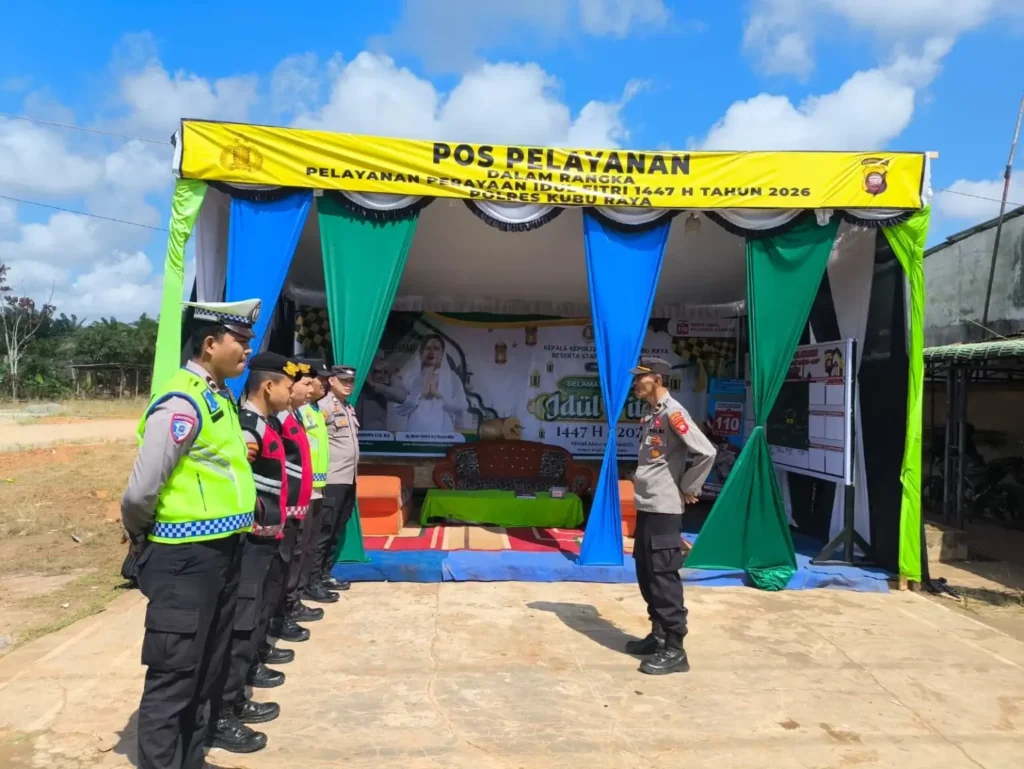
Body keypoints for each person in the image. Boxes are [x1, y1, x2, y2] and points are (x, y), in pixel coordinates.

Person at [120, 299, 261, 769]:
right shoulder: (182, 402)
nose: (247, 350)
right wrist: (142, 539)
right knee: (175, 673)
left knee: (207, 668)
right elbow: (141, 491)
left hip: (222, 553)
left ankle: (192, 759)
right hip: (184, 559)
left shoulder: (218, 398)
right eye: (239, 341)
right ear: (209, 343)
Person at [208, 352, 298, 752]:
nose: (290, 392)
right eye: (286, 385)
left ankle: (235, 698)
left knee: (254, 615)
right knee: (241, 624)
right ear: (268, 386)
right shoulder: (249, 428)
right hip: (251, 540)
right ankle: (222, 714)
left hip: (268, 537)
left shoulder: (266, 424)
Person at [626, 357, 717, 676]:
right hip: (648, 503)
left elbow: (707, 451)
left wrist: (688, 485)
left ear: (657, 379)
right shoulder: (651, 413)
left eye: (641, 378)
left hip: (665, 506)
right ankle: (659, 633)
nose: (636, 383)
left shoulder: (673, 412)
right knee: (646, 569)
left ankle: (675, 649)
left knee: (663, 575)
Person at [269, 363, 321, 643]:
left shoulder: (295, 416)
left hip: (299, 502)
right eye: (303, 384)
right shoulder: (279, 419)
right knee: (286, 562)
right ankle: (282, 613)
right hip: (286, 506)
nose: (310, 388)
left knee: (298, 554)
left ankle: (291, 604)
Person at [295, 359, 339, 604]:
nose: (323, 384)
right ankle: (297, 595)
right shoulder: (299, 410)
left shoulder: (314, 410)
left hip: (319, 486)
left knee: (311, 543)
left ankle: (309, 585)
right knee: (301, 546)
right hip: (303, 488)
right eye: (318, 379)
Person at [314, 365, 360, 593]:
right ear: (331, 381)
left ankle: (325, 574)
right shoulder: (323, 407)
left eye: (351, 381)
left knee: (336, 529)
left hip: (348, 478)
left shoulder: (348, 408)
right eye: (343, 380)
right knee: (325, 530)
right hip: (331, 479)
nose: (348, 385)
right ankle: (313, 579)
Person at [395, 334, 468, 433]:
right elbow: (399, 409)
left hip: (443, 431)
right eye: (428, 348)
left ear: (442, 353)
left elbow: (461, 407)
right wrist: (420, 394)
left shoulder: (452, 377)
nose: (431, 352)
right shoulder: (409, 376)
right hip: (415, 431)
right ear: (422, 352)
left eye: (436, 348)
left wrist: (438, 395)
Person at [356, 353, 407, 431]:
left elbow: (402, 396)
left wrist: (373, 384)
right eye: (378, 371)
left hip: (381, 433)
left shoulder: (390, 379)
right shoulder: (360, 382)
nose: (382, 375)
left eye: (385, 372)